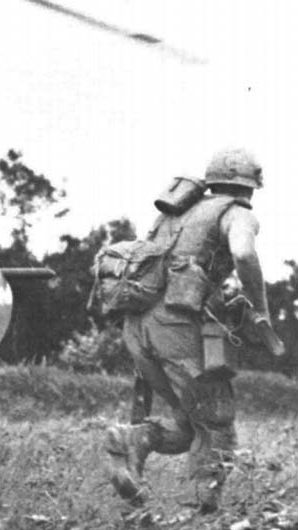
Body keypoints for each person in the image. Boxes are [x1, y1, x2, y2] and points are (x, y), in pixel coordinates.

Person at [104, 147, 272, 513]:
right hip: (176, 326)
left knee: (189, 420)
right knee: (216, 420)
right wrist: (261, 309)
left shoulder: (174, 214)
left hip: (138, 326)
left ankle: (133, 440)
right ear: (251, 185)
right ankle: (202, 512)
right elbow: (243, 254)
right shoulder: (236, 211)